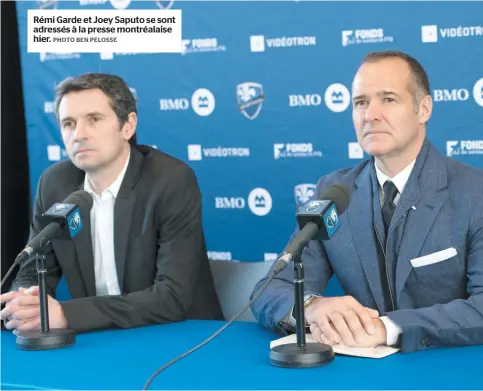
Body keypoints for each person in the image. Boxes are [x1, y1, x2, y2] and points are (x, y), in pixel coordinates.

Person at [251, 51, 483, 353]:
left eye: (388, 99)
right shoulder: (332, 192)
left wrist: (385, 328)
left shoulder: (474, 191)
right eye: (360, 102)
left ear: (424, 108)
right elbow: (268, 291)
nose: (370, 115)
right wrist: (312, 307)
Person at [1, 73, 224, 333]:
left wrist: (66, 314)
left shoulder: (170, 180)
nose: (79, 134)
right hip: (98, 337)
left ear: (128, 126)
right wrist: (24, 301)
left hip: (179, 336)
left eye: (93, 119)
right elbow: (33, 268)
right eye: (69, 123)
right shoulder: (54, 184)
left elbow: (172, 297)